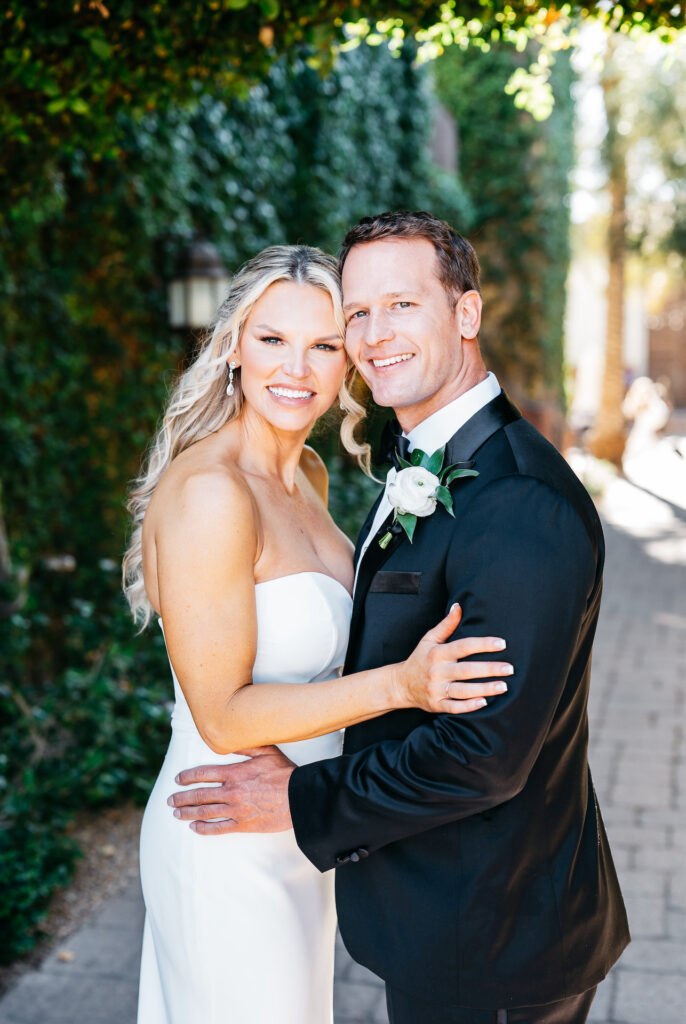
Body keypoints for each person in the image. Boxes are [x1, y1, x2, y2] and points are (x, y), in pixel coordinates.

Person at [171, 213, 630, 1024]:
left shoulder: (518, 501)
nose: (373, 334)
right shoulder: (425, 459)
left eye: (402, 305)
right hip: (433, 909)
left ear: (465, 314)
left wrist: (304, 800)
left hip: (495, 933)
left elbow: (484, 758)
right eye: (358, 313)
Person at [123, 243, 511, 1024]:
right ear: (234, 347)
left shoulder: (306, 479)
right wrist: (403, 685)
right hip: (225, 830)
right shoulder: (211, 492)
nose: (295, 368)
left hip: (296, 827)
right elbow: (223, 715)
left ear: (349, 366)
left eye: (324, 345)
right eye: (272, 340)